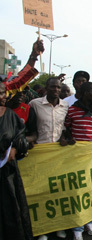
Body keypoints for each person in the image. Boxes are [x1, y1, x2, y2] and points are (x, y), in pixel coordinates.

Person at [60, 82, 92, 240]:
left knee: (91, 190)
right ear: (85, 93)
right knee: (78, 191)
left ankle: (89, 222)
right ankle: (77, 228)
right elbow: (65, 128)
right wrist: (68, 138)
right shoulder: (72, 110)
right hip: (76, 157)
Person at [29, 77, 69, 240]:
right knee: (41, 193)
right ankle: (42, 230)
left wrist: (64, 138)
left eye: (58, 87)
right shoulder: (35, 104)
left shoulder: (65, 106)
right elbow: (31, 128)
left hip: (57, 154)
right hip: (39, 154)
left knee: (58, 191)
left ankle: (58, 226)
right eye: (52, 87)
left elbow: (64, 128)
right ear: (46, 88)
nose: (56, 90)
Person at [0, 82, 33, 240]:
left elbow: (19, 133)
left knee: (10, 210)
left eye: (3, 93)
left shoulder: (10, 115)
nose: (2, 97)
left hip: (7, 173)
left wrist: (15, 147)